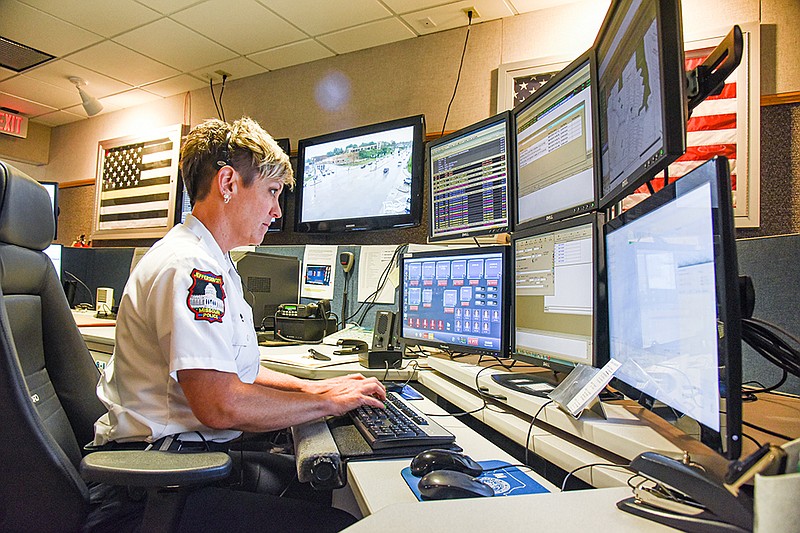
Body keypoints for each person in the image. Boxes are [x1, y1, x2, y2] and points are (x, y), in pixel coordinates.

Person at [91, 117, 385, 530]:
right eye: (272, 191)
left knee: (315, 487)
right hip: (159, 481)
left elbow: (235, 370)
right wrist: (329, 403)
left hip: (185, 459)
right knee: (344, 522)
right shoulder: (189, 267)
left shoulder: (214, 261)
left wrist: (310, 387)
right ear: (228, 183)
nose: (277, 210)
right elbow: (220, 402)